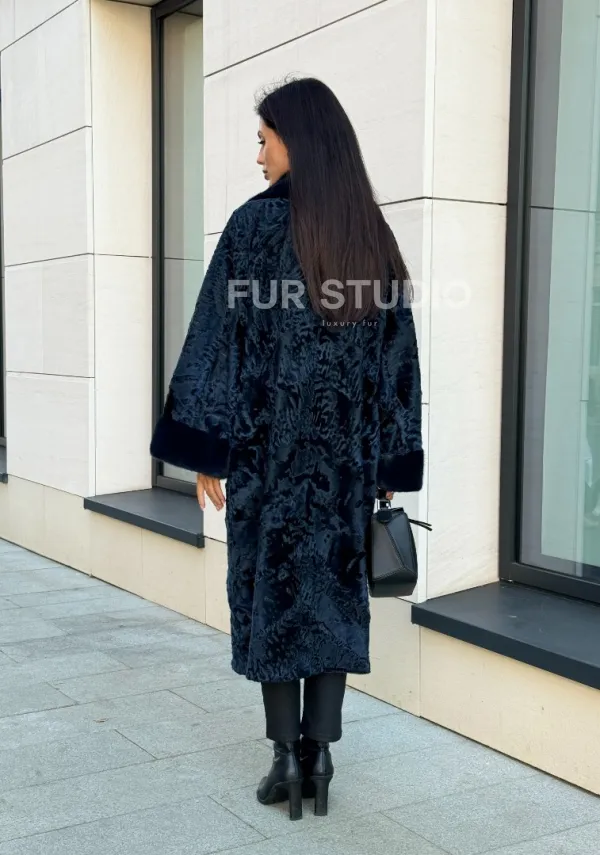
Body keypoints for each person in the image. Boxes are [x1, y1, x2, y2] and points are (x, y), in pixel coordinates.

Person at [150, 77, 423, 821]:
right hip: (343, 471)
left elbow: (214, 343)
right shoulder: (370, 234)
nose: (259, 155)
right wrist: (390, 462)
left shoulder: (251, 228)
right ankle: (320, 757)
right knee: (333, 603)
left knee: (271, 596)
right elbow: (398, 362)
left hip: (266, 463)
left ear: (296, 140)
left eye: (264, 139)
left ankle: (283, 763)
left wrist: (205, 448)